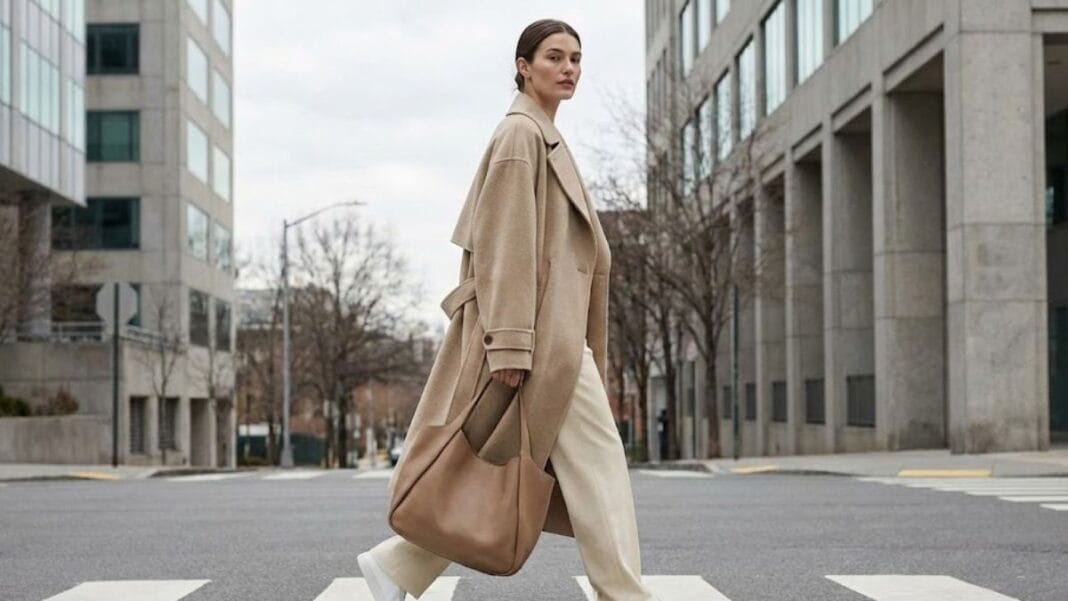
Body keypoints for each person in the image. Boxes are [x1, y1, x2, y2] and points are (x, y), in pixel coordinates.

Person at [357, 19, 656, 601]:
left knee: (499, 461)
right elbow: (506, 247)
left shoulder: (542, 134)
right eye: (553, 57)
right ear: (523, 65)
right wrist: (513, 343)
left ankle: (400, 567)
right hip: (547, 341)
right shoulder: (522, 135)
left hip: (556, 338)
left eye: (575, 58)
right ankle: (624, 595)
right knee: (599, 469)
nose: (568, 68)